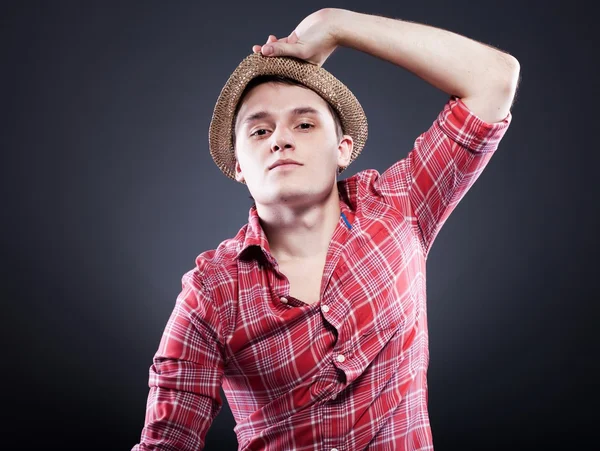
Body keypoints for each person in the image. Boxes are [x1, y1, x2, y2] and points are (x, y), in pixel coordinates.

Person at [132, 7, 520, 451]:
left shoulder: (399, 205)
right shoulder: (211, 292)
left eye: (304, 123)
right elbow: (167, 440)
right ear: (240, 166)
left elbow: (495, 78)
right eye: (259, 131)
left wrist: (336, 25)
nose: (281, 138)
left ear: (343, 148)